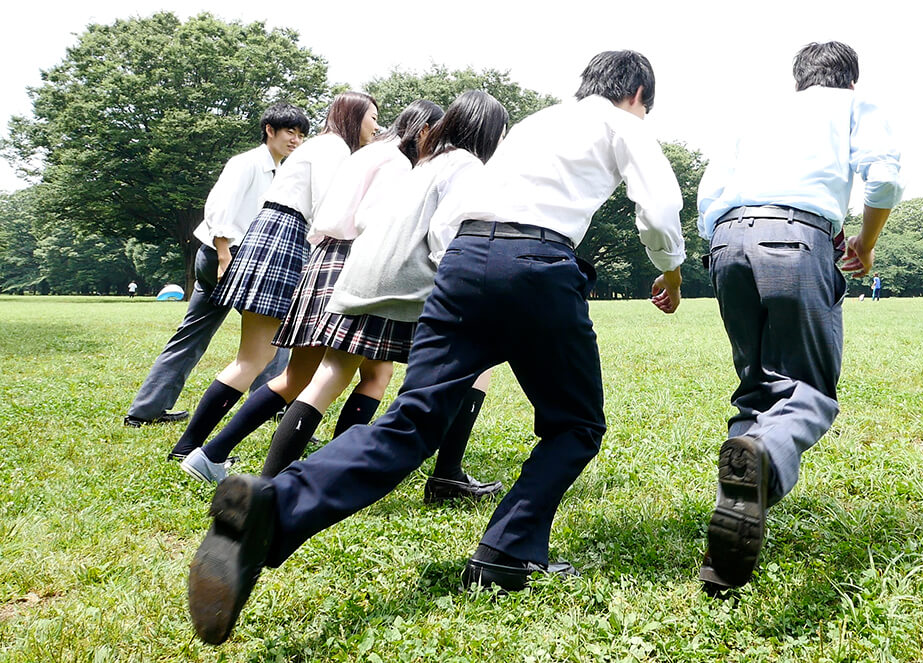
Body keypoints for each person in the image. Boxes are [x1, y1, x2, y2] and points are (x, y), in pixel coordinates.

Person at [186, 50, 685, 646]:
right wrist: (671, 270)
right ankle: (507, 551)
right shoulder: (622, 122)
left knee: (413, 421)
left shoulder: (535, 125)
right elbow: (660, 208)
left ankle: (275, 506)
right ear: (637, 94)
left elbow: (454, 217)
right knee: (575, 425)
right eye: (647, 106)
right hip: (538, 263)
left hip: (464, 261)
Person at [182, 99, 496, 499]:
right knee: (359, 375)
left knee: (307, 375)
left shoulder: (366, 153)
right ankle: (332, 468)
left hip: (324, 255)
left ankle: (217, 455)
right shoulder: (396, 163)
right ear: (423, 130)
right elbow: (370, 219)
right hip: (354, 259)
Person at [695, 41, 903, 592]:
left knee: (756, 389)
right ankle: (764, 460)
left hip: (726, 242)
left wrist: (726, 242)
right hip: (795, 237)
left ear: (799, 81)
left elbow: (708, 194)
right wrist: (865, 242)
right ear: (850, 81)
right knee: (808, 390)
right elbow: (884, 178)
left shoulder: (757, 114)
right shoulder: (853, 104)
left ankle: (724, 559)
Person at [169, 92, 379, 462]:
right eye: (373, 117)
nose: (377, 126)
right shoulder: (333, 147)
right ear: (353, 115)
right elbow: (329, 211)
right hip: (286, 235)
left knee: (255, 358)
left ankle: (190, 447)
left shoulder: (323, 146)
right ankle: (190, 448)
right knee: (253, 359)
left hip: (278, 233)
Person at [123, 103, 308, 430]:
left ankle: (146, 410)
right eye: (290, 132)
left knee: (192, 334)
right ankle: (272, 406)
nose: (296, 140)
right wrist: (224, 255)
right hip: (227, 256)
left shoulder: (281, 171)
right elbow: (219, 207)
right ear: (269, 130)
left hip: (228, 258)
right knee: (272, 332)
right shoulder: (247, 163)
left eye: (301, 135)